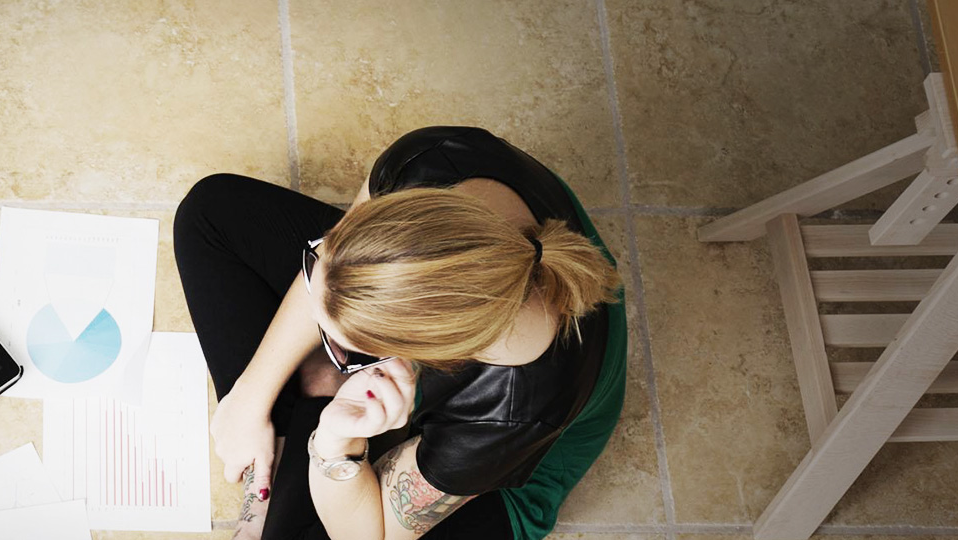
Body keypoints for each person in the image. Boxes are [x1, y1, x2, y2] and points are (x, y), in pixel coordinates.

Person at [173, 126, 628, 540]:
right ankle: (285, 442)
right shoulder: (428, 161)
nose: (322, 350)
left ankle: (282, 460)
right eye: (318, 259)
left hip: (498, 484)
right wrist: (250, 397)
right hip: (443, 289)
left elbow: (368, 534)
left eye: (343, 352)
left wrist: (335, 444)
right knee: (211, 214)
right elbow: (330, 274)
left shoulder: (507, 413)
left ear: (419, 356)